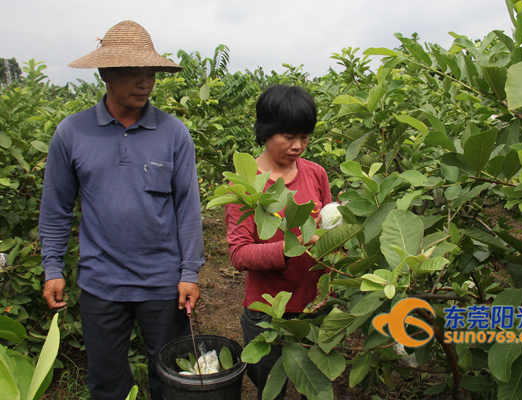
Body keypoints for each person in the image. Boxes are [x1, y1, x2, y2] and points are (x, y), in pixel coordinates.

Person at [38, 20, 204, 400]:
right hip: (101, 283)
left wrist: (189, 272)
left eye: (151, 73)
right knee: (107, 381)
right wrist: (52, 267)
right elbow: (56, 208)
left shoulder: (173, 133)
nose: (145, 83)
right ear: (105, 74)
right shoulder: (72, 133)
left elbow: (187, 208)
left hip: (162, 283)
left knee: (172, 376)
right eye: (133, 73)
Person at [225, 84, 331, 399]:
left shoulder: (316, 174)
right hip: (269, 311)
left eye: (305, 136)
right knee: (271, 389)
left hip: (315, 303)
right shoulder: (246, 187)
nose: (298, 145)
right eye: (289, 137)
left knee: (316, 385)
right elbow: (239, 254)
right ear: (267, 131)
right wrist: (290, 247)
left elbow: (325, 228)